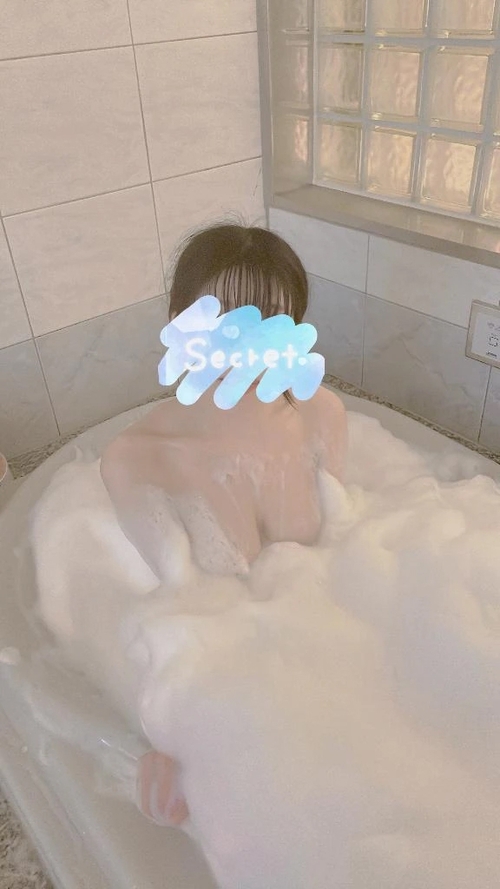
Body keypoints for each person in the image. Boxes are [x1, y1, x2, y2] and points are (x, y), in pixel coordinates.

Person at [99, 221, 348, 827]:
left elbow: (351, 551)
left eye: (269, 325)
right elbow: (180, 613)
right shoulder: (138, 460)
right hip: (243, 692)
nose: (246, 349)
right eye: (224, 324)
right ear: (179, 325)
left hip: (335, 664)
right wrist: (178, 736)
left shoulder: (321, 416)